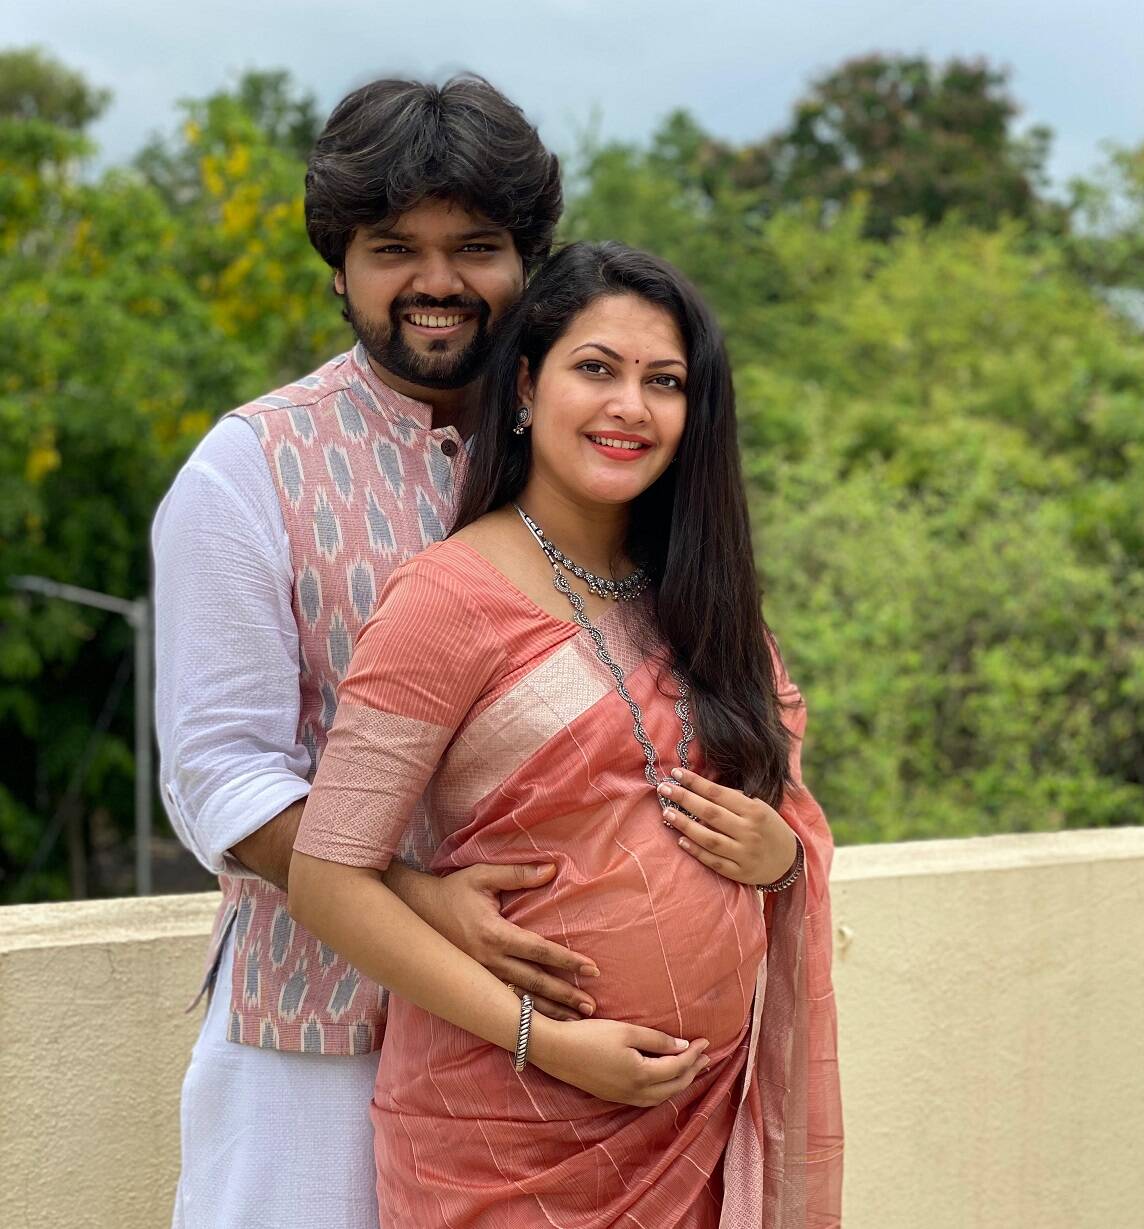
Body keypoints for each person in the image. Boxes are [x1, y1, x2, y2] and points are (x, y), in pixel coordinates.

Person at [289, 241, 844, 1228]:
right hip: (503, 1135)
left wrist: (781, 857)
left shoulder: (703, 603)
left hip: (699, 1129)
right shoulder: (445, 599)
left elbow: (785, 800)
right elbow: (328, 877)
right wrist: (541, 1037)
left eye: (664, 381)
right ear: (524, 387)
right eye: (597, 368)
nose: (630, 406)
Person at [153, 76, 595, 1229]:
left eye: (476, 246)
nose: (437, 281)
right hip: (317, 1046)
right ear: (339, 268)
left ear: (529, 263)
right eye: (395, 247)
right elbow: (219, 775)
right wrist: (419, 901)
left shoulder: (587, 454)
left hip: (564, 1042)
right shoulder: (250, 469)